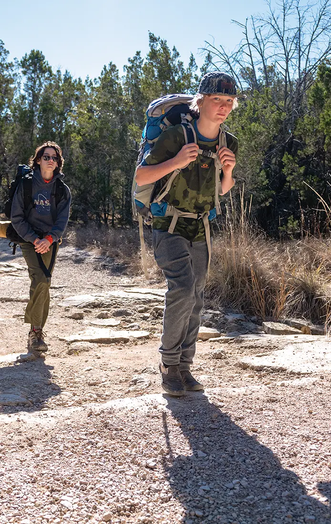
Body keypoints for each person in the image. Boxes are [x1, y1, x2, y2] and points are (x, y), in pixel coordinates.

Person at [134, 72, 240, 397]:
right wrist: (178, 160)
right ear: (201, 101)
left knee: (196, 296)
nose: (222, 107)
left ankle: (184, 367)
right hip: (169, 224)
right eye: (216, 100)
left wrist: (229, 172)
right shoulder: (177, 136)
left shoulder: (228, 143)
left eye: (228, 102)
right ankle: (168, 366)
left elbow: (223, 190)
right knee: (181, 288)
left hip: (201, 226)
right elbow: (141, 176)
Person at [10, 142, 71, 360]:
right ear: (38, 160)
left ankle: (35, 332)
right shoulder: (25, 186)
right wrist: (35, 239)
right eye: (46, 157)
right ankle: (36, 334)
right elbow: (16, 217)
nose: (50, 160)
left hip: (50, 241)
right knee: (40, 279)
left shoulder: (62, 190)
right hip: (29, 239)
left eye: (54, 158)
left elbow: (62, 221)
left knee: (44, 282)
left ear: (58, 163)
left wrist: (49, 239)